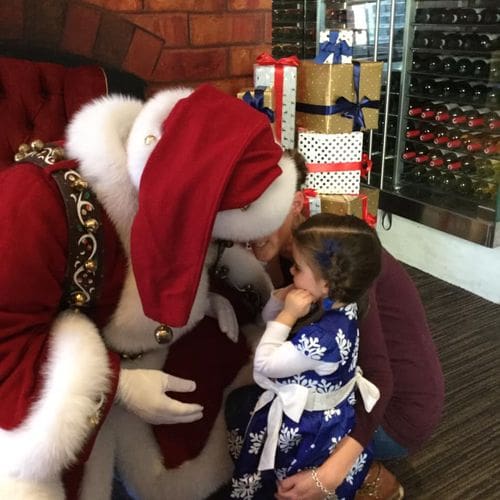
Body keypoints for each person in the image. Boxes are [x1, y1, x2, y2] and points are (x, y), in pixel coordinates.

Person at [0, 84, 299, 499]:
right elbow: (6, 343)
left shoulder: (183, 181)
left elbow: (198, 257)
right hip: (48, 381)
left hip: (146, 363)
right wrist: (117, 384)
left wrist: (217, 294)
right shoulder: (35, 203)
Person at [229, 153, 445, 500]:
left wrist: (332, 472)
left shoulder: (338, 260)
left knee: (261, 412)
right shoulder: (300, 260)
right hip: (346, 385)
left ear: (295, 203)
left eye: (258, 215)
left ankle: (365, 476)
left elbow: (381, 377)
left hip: (394, 413)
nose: (248, 231)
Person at [229, 213, 382, 499]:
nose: (291, 272)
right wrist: (282, 298)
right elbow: (267, 320)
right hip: (333, 410)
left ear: (326, 283)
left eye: (297, 268)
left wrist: (287, 314)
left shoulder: (322, 339)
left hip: (309, 428)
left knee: (283, 480)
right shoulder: (343, 302)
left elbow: (264, 363)